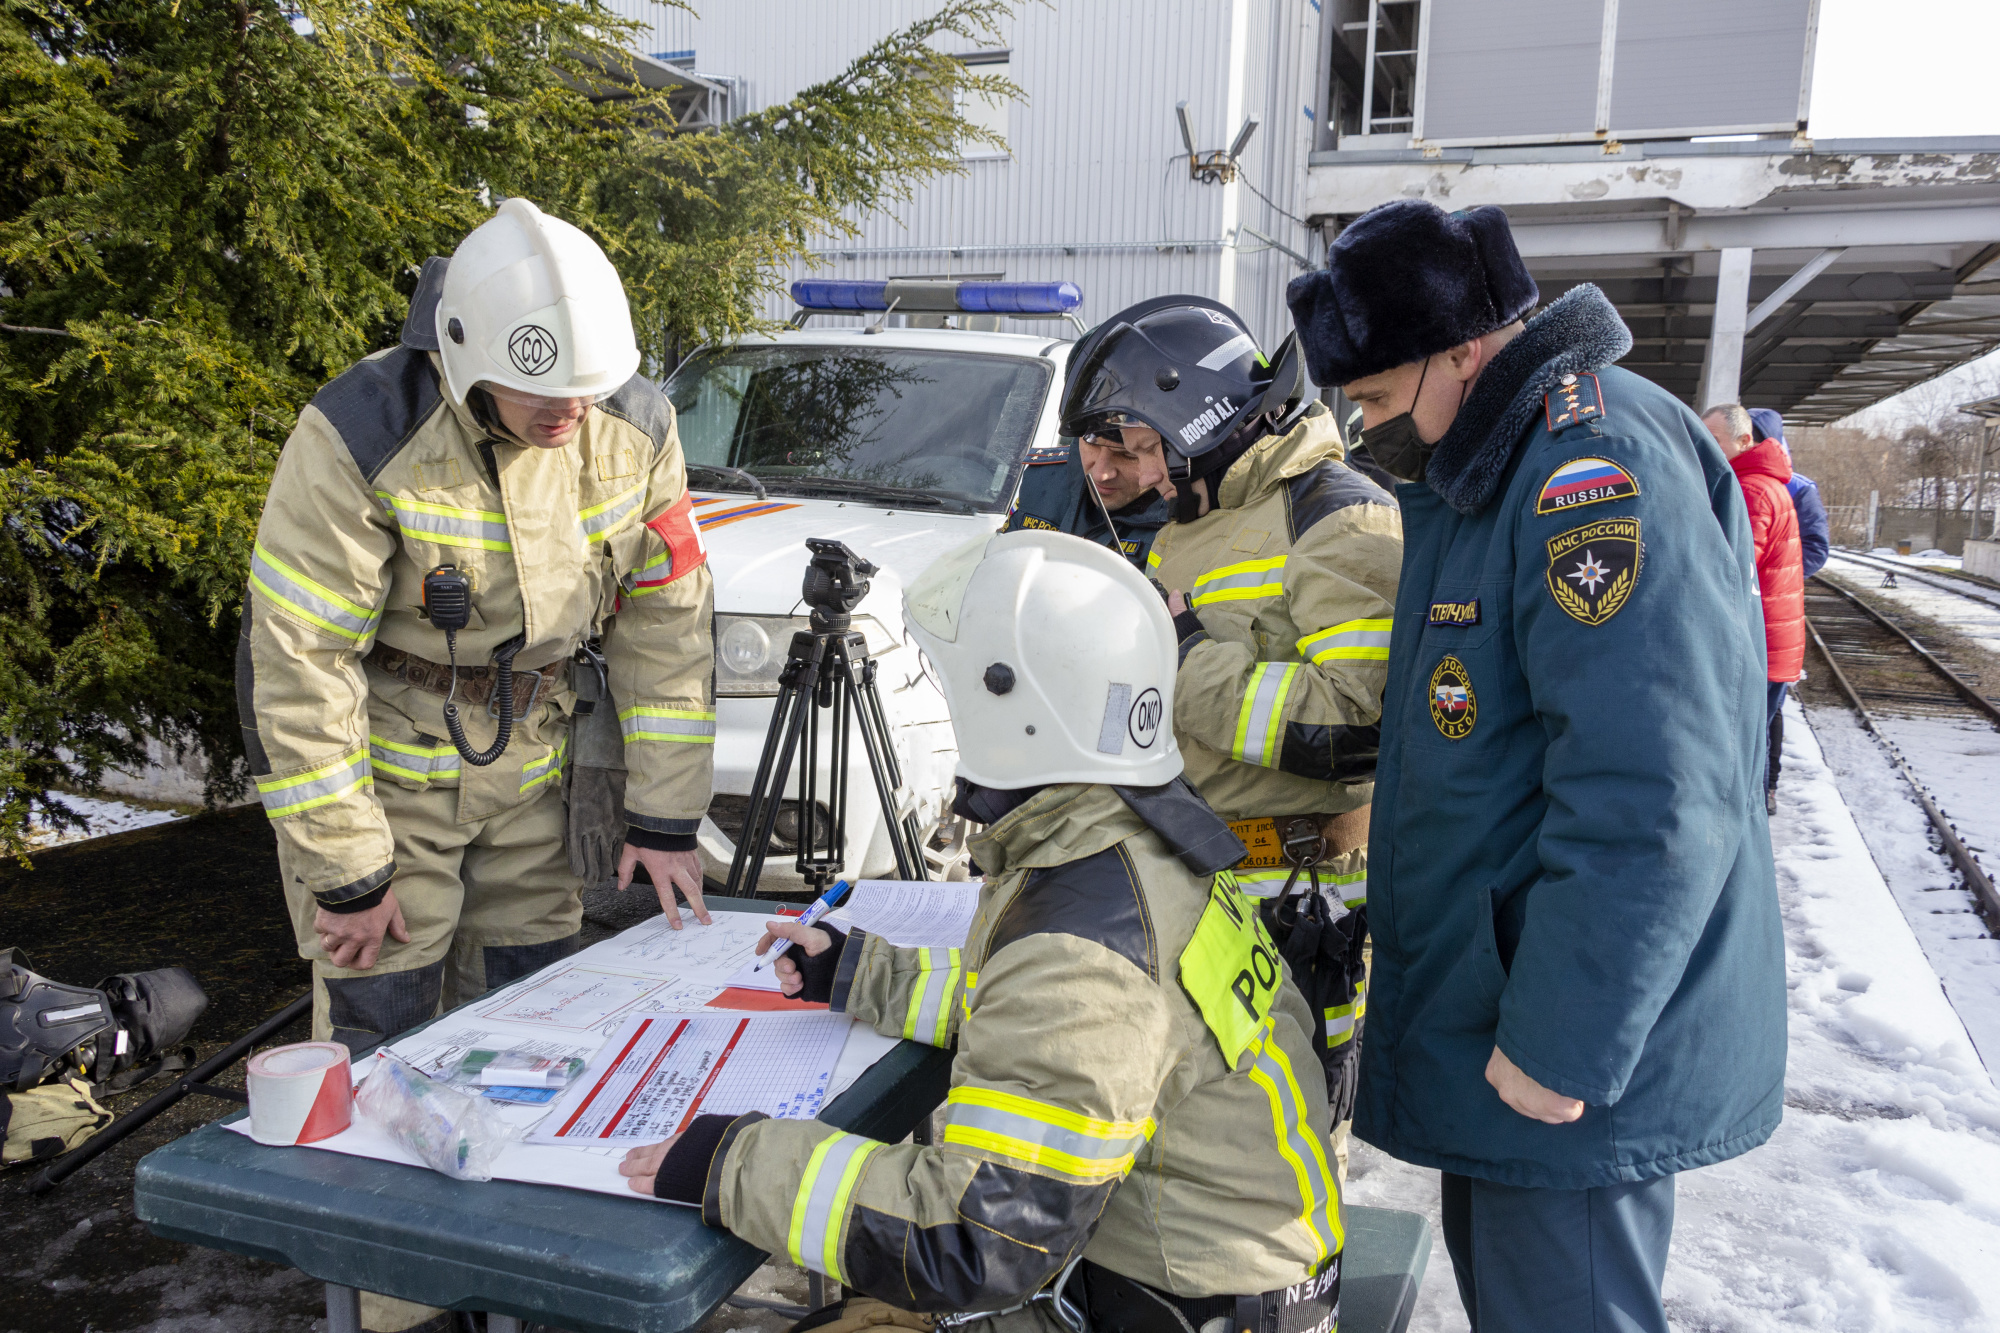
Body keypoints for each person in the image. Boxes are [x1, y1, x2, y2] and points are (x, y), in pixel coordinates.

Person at [618, 530, 1343, 1333]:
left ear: (1017, 705)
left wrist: (733, 1161)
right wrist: (860, 972)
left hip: (1162, 1306)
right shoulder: (1129, 845)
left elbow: (973, 1236)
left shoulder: (1084, 939)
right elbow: (1048, 1025)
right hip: (1192, 1285)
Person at [1287, 198, 1784, 1333]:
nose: (1364, 433)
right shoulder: (1489, 465)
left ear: (1463, 346)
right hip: (1513, 1009)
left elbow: (1655, 789)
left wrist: (1560, 1037)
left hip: (1565, 1046)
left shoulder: (1584, 472)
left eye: (1372, 397)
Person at [242, 201, 716, 1328]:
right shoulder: (362, 430)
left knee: (535, 1015)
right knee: (382, 1036)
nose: (571, 413)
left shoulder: (633, 425)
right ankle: (404, 1300)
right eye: (544, 392)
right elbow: (299, 661)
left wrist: (662, 817)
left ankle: (531, 1274)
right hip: (388, 767)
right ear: (463, 362)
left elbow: (667, 621)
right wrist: (344, 871)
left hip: (535, 763)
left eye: (588, 391)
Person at [1055, 297, 1402, 1174]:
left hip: (1294, 903)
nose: (1126, 469)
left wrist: (1183, 651)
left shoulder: (1339, 518)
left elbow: (1357, 727)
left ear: (1195, 412)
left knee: (1273, 1159)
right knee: (1187, 1147)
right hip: (1199, 885)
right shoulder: (1196, 522)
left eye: (1134, 442)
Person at [1704, 403, 1805, 814]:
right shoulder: (1764, 483)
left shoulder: (1750, 490)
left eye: (1712, 441)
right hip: (1770, 638)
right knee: (1754, 740)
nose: (1702, 449)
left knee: (1745, 747)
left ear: (1745, 441)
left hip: (1756, 640)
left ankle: (1746, 839)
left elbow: (1730, 564)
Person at [1002, 422, 1171, 569]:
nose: (1100, 474)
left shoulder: (1183, 521)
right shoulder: (1042, 480)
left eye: (1127, 454)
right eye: (1092, 442)